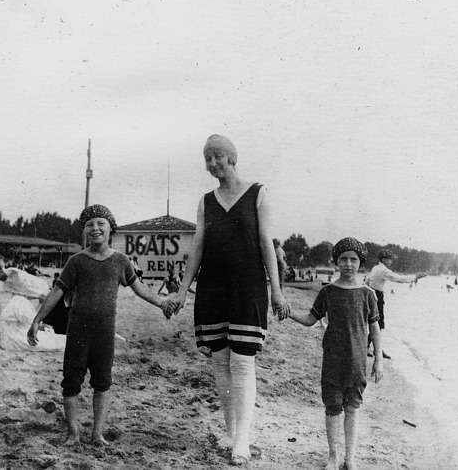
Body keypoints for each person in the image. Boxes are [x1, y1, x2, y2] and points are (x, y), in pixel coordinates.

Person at [165, 134, 290, 466]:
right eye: (206, 158)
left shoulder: (258, 193)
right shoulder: (206, 201)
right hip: (212, 288)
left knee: (243, 361)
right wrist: (181, 290)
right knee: (220, 363)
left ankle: (243, 441)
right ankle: (233, 435)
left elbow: (266, 244)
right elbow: (198, 248)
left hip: (248, 287)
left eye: (216, 156)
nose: (211, 163)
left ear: (231, 157)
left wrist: (276, 290)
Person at [27, 204, 172, 446]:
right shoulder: (76, 261)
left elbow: (139, 288)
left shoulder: (121, 261)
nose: (95, 229)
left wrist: (162, 304)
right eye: (89, 225)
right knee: (72, 379)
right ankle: (73, 433)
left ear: (111, 229)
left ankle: (97, 433)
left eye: (100, 224)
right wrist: (37, 319)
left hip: (105, 331)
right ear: (84, 231)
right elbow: (56, 292)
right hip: (77, 329)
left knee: (102, 381)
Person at [289, 238, 383, 470]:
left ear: (360, 262)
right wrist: (288, 313)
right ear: (336, 261)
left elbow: (375, 328)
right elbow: (311, 319)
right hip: (332, 359)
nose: (348, 264)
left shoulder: (368, 293)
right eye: (343, 259)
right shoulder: (328, 292)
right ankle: (333, 457)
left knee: (352, 408)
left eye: (353, 259)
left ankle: (350, 458)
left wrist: (378, 359)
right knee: (332, 407)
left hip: (357, 361)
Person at [364, 249, 427, 359]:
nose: (391, 261)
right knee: (379, 324)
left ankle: (371, 347)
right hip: (377, 296)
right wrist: (415, 277)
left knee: (375, 323)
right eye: (390, 259)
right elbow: (398, 278)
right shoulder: (383, 270)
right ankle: (374, 348)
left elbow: (367, 282)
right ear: (383, 260)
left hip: (372, 295)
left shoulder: (375, 268)